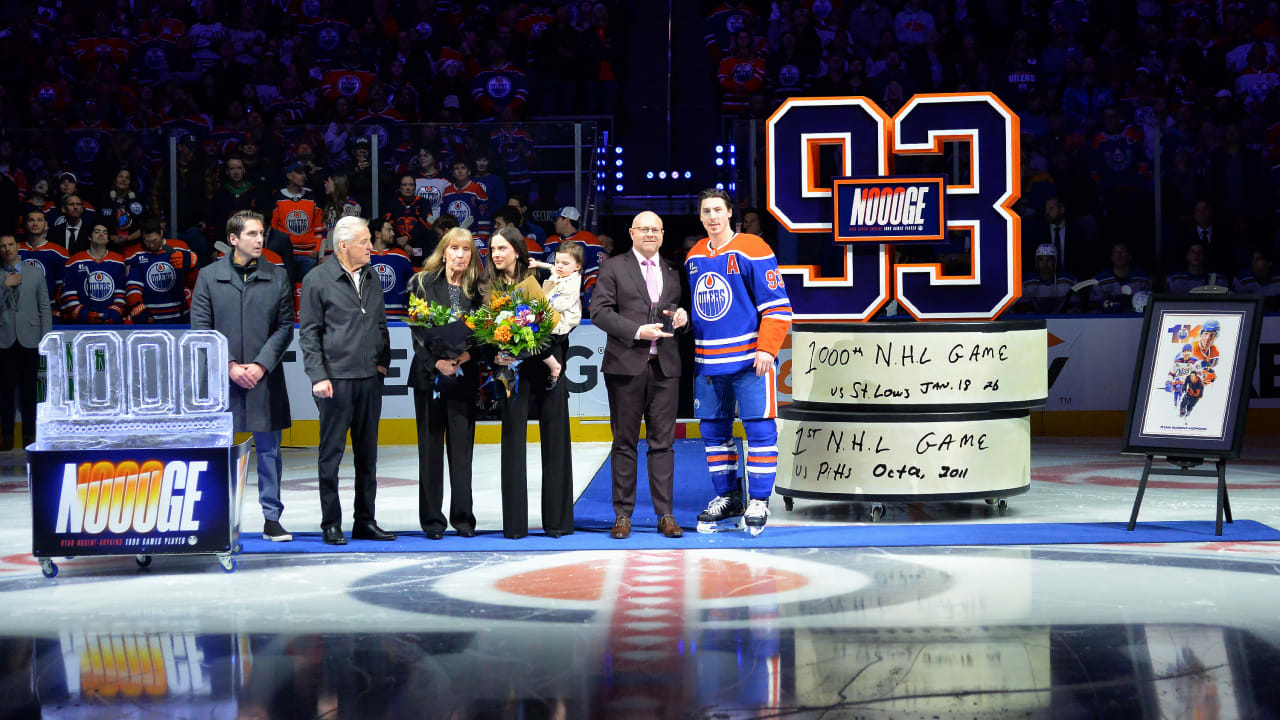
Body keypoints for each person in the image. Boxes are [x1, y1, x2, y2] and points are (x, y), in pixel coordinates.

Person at [685, 189, 792, 536]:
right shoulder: (694, 256)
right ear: (700, 217)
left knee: (759, 429)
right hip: (708, 361)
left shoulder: (754, 248)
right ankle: (727, 496)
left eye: (718, 209)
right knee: (713, 431)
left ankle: (759, 500)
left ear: (731, 212)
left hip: (750, 360)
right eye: (706, 211)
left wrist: (767, 348)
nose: (712, 216)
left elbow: (777, 307)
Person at [190, 210, 296, 542]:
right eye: (252, 234)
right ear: (233, 239)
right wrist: (232, 365)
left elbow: (284, 328)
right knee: (220, 453)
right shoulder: (208, 276)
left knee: (269, 453)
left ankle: (272, 517)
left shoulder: (277, 276)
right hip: (224, 380)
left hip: (264, 378)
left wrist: (261, 365)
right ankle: (220, 517)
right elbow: (201, 329)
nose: (260, 239)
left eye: (262, 233)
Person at [589, 211, 689, 540]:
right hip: (625, 367)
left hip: (666, 368)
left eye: (655, 229)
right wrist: (636, 331)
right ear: (631, 232)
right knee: (624, 443)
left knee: (664, 444)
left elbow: (684, 312)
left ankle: (666, 515)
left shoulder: (674, 269)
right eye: (643, 229)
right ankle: (622, 515)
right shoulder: (613, 266)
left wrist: (683, 319)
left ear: (663, 234)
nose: (650, 234)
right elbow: (599, 312)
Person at [298, 216, 394, 545]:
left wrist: (383, 365)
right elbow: (309, 335)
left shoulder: (371, 276)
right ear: (343, 246)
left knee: (368, 456)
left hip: (370, 379)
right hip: (335, 381)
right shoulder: (316, 280)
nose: (371, 246)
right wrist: (318, 375)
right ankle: (331, 522)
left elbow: (380, 323)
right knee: (332, 454)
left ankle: (365, 520)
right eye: (365, 241)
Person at [486, 226, 574, 539]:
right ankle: (514, 525)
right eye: (493, 249)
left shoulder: (539, 279)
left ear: (518, 251)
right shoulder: (489, 286)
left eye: (502, 249)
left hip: (550, 363)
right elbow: (485, 331)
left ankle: (558, 522)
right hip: (513, 368)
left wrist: (548, 356)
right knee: (512, 440)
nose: (496, 255)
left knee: (556, 438)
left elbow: (554, 323)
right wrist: (495, 353)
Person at [407, 228, 485, 540]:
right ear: (445, 250)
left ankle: (464, 520)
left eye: (466, 250)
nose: (460, 255)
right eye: (455, 248)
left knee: (462, 453)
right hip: (430, 377)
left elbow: (486, 331)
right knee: (430, 452)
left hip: (463, 377)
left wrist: (466, 355)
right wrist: (436, 362)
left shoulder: (479, 288)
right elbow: (417, 332)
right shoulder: (422, 283)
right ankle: (432, 521)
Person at [0, 233, 50, 451]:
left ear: (18, 246)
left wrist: (45, 339)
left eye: (10, 244)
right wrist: (5, 285)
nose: (7, 249)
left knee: (30, 391)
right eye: (2, 246)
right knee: (5, 390)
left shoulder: (35, 273)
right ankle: (7, 436)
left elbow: (44, 307)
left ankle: (30, 434)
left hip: (30, 338)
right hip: (4, 339)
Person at [529, 240, 584, 386]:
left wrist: (537, 306)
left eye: (565, 263)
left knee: (536, 342)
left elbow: (558, 305)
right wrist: (537, 264)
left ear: (577, 266)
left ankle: (555, 367)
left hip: (561, 324)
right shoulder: (559, 271)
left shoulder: (572, 285)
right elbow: (551, 267)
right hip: (550, 316)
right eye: (557, 261)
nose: (559, 265)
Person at [125, 221, 199, 324]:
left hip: (179, 315)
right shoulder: (134, 254)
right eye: (146, 241)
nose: (150, 244)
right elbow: (133, 285)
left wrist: (193, 265)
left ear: (161, 233)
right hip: (151, 318)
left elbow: (192, 283)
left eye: (154, 240)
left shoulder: (180, 248)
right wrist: (136, 306)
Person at [61, 223, 127, 323]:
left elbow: (121, 290)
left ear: (108, 239)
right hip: (82, 323)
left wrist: (116, 310)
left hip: (110, 322)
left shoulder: (119, 261)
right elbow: (68, 291)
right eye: (97, 232)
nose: (101, 234)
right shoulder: (74, 261)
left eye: (105, 233)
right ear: (89, 237)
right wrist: (81, 313)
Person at [19, 209, 68, 320]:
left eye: (39, 220)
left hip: (49, 309)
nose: (35, 224)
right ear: (26, 224)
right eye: (31, 220)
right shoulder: (16, 250)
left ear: (46, 224)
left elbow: (63, 286)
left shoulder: (59, 252)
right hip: (20, 309)